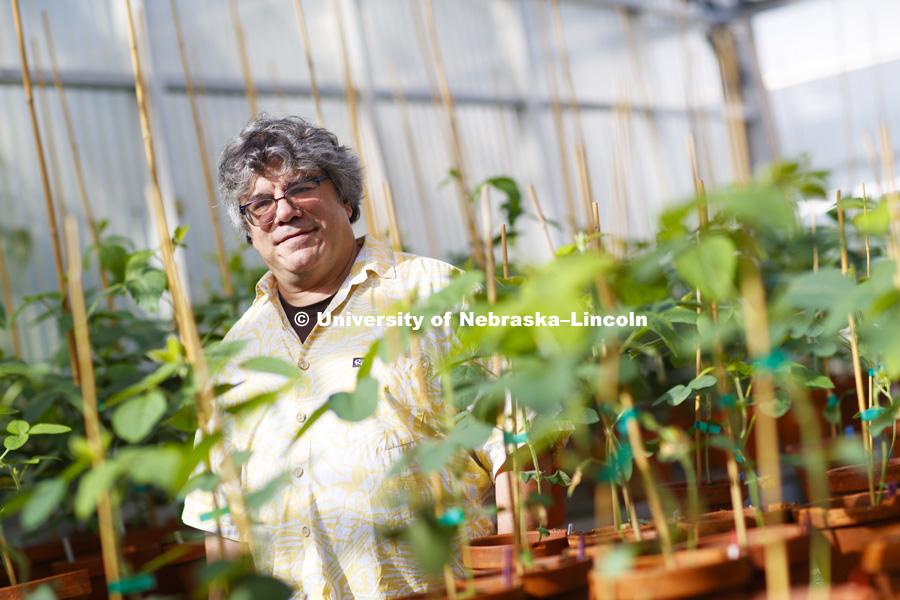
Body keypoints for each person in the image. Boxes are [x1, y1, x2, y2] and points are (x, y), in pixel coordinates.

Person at [181, 116, 548, 599]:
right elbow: (222, 517)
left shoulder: (436, 294)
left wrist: (518, 580)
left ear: (346, 199)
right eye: (260, 203)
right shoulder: (237, 352)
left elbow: (521, 448)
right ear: (250, 231)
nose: (284, 211)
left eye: (301, 187)